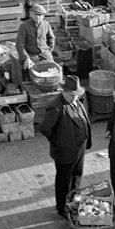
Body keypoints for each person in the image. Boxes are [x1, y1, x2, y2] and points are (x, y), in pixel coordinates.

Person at [39, 75, 92, 217]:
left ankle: (74, 199)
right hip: (65, 150)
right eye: (72, 95)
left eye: (76, 95)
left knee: (77, 175)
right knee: (64, 180)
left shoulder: (76, 101)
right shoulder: (55, 107)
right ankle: (62, 207)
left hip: (79, 147)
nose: (75, 98)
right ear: (65, 92)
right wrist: (57, 141)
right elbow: (45, 128)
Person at [15, 4, 55, 71]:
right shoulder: (24, 26)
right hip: (30, 53)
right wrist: (26, 57)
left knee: (51, 68)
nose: (38, 17)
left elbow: (51, 38)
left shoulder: (46, 24)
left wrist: (49, 50)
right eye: (36, 14)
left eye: (40, 15)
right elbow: (19, 43)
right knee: (28, 68)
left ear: (43, 16)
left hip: (44, 52)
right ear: (31, 15)